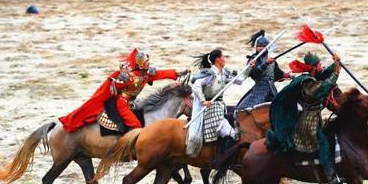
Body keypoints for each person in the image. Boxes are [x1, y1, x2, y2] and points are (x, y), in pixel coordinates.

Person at [59, 48, 189, 133]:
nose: (148, 64)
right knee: (136, 126)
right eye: (146, 62)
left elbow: (161, 73)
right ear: (139, 64)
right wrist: (117, 81)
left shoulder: (145, 73)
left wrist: (177, 72)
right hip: (122, 103)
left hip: (134, 102)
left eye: (148, 62)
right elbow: (112, 89)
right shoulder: (128, 76)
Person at [266, 51, 343, 184]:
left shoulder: (312, 75)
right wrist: (336, 74)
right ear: (313, 67)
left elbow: (324, 74)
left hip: (314, 117)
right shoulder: (307, 82)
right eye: (319, 64)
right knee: (324, 144)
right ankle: (331, 178)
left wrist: (336, 64)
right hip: (308, 122)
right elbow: (324, 88)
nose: (321, 66)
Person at [189, 49, 250, 156]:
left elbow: (240, 80)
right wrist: (203, 101)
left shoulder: (224, 73)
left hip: (220, 106)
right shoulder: (209, 73)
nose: (224, 59)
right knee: (230, 133)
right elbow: (196, 86)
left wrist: (249, 67)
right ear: (218, 59)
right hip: (211, 107)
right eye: (223, 57)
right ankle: (224, 158)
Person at [236, 30, 292, 110]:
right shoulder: (253, 59)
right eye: (258, 46)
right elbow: (254, 74)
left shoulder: (271, 60)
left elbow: (278, 74)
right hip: (260, 88)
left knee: (278, 108)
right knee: (246, 109)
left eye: (263, 46)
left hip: (271, 89)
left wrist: (288, 75)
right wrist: (265, 63)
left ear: (267, 47)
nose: (260, 48)